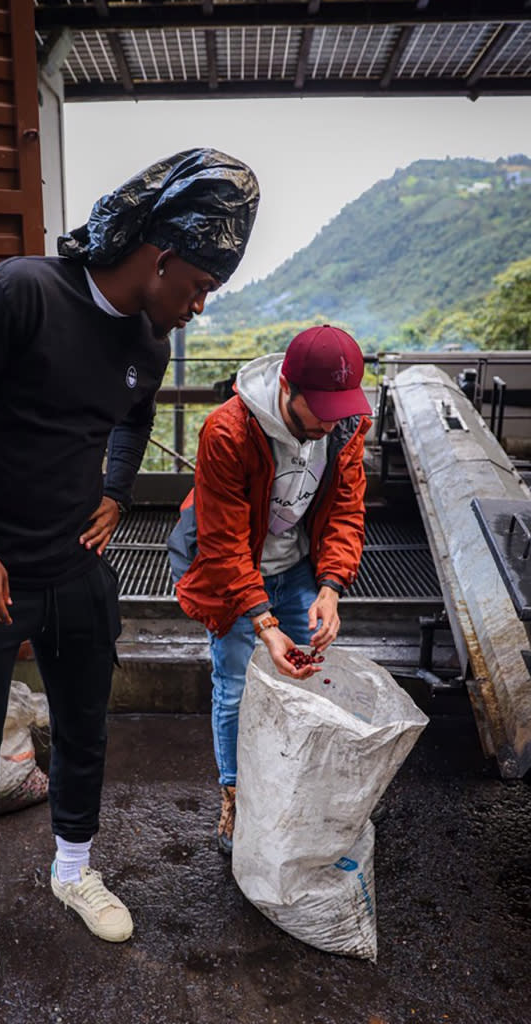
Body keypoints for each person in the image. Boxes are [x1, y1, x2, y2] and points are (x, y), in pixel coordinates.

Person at [0, 148, 259, 1000]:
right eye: (201, 282)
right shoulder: (21, 293)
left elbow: (134, 411)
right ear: (161, 256)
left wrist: (113, 490)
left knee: (85, 727)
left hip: (75, 567)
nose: (201, 302)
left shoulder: (147, 337)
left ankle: (74, 869)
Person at [167, 324, 372, 854]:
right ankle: (235, 795)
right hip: (233, 570)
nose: (329, 424)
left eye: (337, 411)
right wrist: (264, 623)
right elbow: (225, 542)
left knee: (311, 674)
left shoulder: (346, 426)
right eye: (318, 413)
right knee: (235, 685)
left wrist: (331, 587)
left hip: (298, 564)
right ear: (288, 387)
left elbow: (346, 510)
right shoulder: (229, 431)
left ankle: (293, 793)